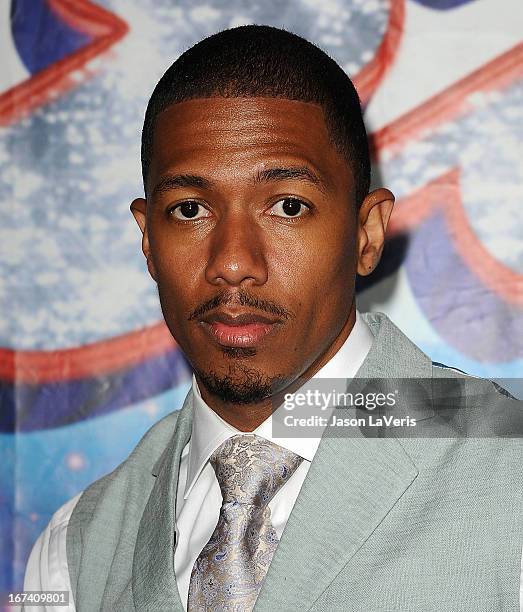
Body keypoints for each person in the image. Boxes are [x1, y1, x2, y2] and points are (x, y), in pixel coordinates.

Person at [24, 25, 522, 612]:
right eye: (189, 210)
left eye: (288, 206)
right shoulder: (73, 550)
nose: (233, 263)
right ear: (147, 239)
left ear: (366, 233)